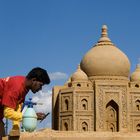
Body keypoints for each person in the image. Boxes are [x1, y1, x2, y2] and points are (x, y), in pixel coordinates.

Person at [0, 67, 50, 139]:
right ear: (34, 80)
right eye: (41, 85)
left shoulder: (24, 87)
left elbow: (17, 109)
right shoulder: (16, 87)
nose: (40, 89)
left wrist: (15, 129)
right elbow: (8, 113)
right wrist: (31, 117)